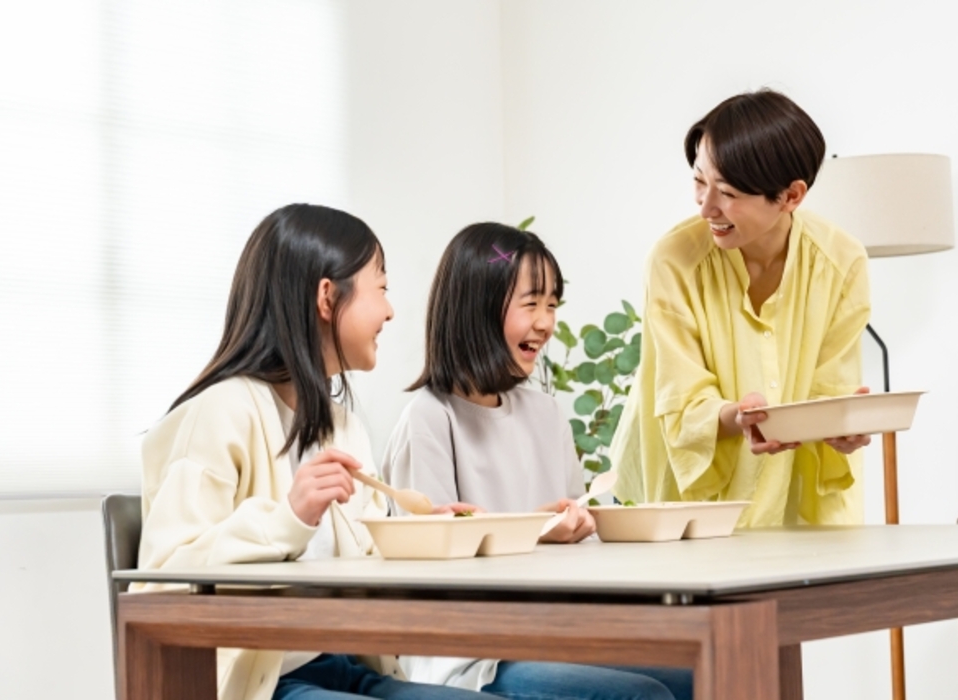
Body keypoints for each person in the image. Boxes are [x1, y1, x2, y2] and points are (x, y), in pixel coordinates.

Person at [133, 204, 495, 700]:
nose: (390, 311)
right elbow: (158, 587)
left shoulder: (342, 427)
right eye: (381, 288)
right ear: (327, 297)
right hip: (265, 685)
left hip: (345, 667)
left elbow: (366, 568)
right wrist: (288, 518)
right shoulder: (219, 413)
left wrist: (423, 536)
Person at [382, 222, 693, 700]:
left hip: (551, 635)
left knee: (700, 677)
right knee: (643, 696)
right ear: (478, 307)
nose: (546, 323)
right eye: (531, 304)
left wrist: (580, 528)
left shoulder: (544, 413)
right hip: (468, 655)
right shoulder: (428, 419)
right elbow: (430, 570)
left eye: (552, 305)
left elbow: (576, 537)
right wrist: (535, 531)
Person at [610, 89, 872, 527]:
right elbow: (681, 397)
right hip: (685, 498)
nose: (706, 207)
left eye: (728, 192)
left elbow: (830, 389)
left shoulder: (842, 261)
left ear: (791, 196)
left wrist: (842, 426)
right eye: (699, 180)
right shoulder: (673, 260)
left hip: (795, 495)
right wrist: (738, 417)